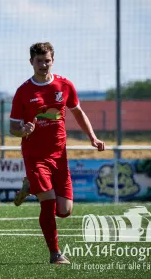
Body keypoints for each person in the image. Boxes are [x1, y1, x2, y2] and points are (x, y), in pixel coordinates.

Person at [9, 42, 105, 265]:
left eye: (47, 61)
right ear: (31, 61)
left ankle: (30, 186)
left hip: (59, 155)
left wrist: (92, 137)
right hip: (35, 155)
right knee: (49, 203)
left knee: (65, 210)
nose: (43, 65)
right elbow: (13, 127)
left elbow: (78, 112)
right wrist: (22, 130)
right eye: (39, 61)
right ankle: (55, 253)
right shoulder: (23, 91)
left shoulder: (64, 85)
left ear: (53, 60)